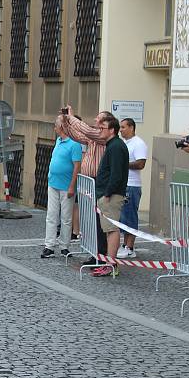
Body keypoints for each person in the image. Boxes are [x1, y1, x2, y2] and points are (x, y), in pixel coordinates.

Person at [60, 106, 114, 265]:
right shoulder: (94, 136)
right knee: (90, 219)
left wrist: (71, 117)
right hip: (89, 181)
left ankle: (101, 254)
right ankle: (94, 251)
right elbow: (76, 135)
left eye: (99, 119)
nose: (96, 120)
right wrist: (65, 122)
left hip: (98, 181)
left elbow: (85, 130)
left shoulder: (101, 136)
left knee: (98, 221)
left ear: (107, 123)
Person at [91, 115, 129, 277]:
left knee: (112, 229)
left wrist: (107, 193)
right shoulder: (113, 145)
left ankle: (110, 264)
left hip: (111, 195)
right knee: (108, 229)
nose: (99, 130)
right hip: (108, 194)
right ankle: (109, 263)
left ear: (112, 130)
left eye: (102, 128)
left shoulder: (115, 147)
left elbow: (116, 174)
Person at [41, 116, 82, 258]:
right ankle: (49, 246)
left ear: (62, 128)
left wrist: (72, 186)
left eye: (56, 125)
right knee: (51, 215)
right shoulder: (58, 141)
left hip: (66, 186)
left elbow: (77, 166)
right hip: (53, 183)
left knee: (66, 217)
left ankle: (64, 246)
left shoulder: (74, 144)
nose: (54, 128)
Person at [117, 118, 147, 258]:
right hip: (124, 184)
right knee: (123, 217)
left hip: (132, 185)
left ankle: (130, 247)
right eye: (120, 127)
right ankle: (124, 244)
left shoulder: (138, 143)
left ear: (131, 128)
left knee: (130, 216)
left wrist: (123, 164)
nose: (121, 129)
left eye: (123, 127)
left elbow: (141, 164)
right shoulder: (124, 143)